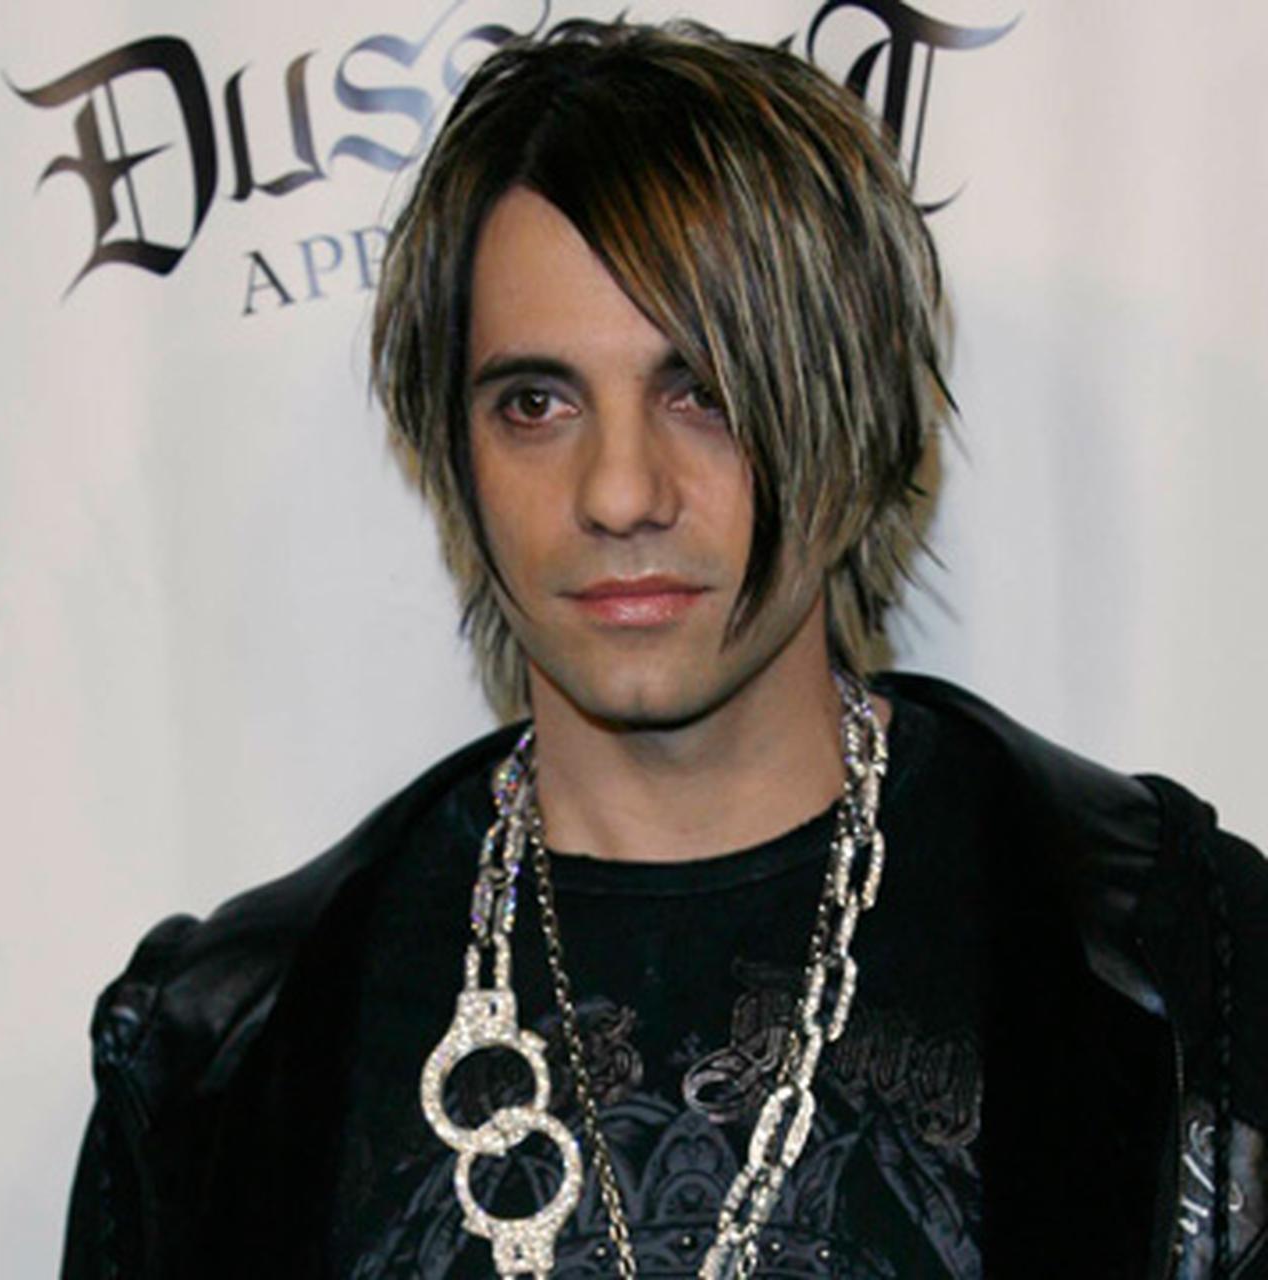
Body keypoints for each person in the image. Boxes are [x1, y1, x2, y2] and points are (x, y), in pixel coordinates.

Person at [61, 19, 1267, 1280]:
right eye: (536, 403)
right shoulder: (228, 1053)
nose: (620, 491)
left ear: (855, 412)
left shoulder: (1172, 972)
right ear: (454, 450)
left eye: (703, 390)